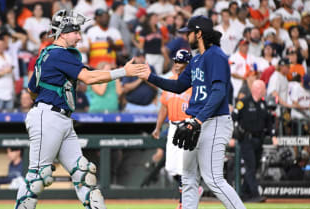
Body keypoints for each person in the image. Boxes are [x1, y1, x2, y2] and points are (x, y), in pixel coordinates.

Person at [15, 9, 146, 209]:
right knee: (38, 176)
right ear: (63, 33)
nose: (79, 36)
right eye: (75, 32)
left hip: (60, 118)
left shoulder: (46, 54)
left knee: (83, 172)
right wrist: (123, 71)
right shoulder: (59, 53)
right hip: (48, 117)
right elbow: (89, 78)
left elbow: (32, 90)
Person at [139, 15, 246, 209]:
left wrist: (197, 120)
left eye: (188, 32)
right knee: (188, 178)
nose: (185, 36)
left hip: (214, 121)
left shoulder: (216, 56)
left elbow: (219, 92)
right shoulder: (196, 60)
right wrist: (150, 77)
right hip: (195, 122)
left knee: (213, 179)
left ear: (199, 34)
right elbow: (178, 85)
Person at [151, 49, 202, 209]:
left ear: (188, 64)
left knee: (183, 167)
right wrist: (158, 127)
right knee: (172, 168)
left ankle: (183, 201)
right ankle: (192, 191)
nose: (177, 64)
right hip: (173, 126)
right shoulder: (170, 82)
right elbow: (164, 107)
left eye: (180, 62)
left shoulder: (195, 83)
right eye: (176, 61)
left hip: (187, 126)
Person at [233, 80, 274, 202]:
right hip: (246, 139)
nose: (265, 91)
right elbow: (234, 118)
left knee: (254, 167)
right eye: (263, 88)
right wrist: (233, 136)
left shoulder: (263, 104)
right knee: (250, 166)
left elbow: (269, 122)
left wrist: (273, 135)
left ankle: (244, 194)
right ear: (257, 90)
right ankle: (256, 195)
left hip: (259, 140)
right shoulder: (243, 102)